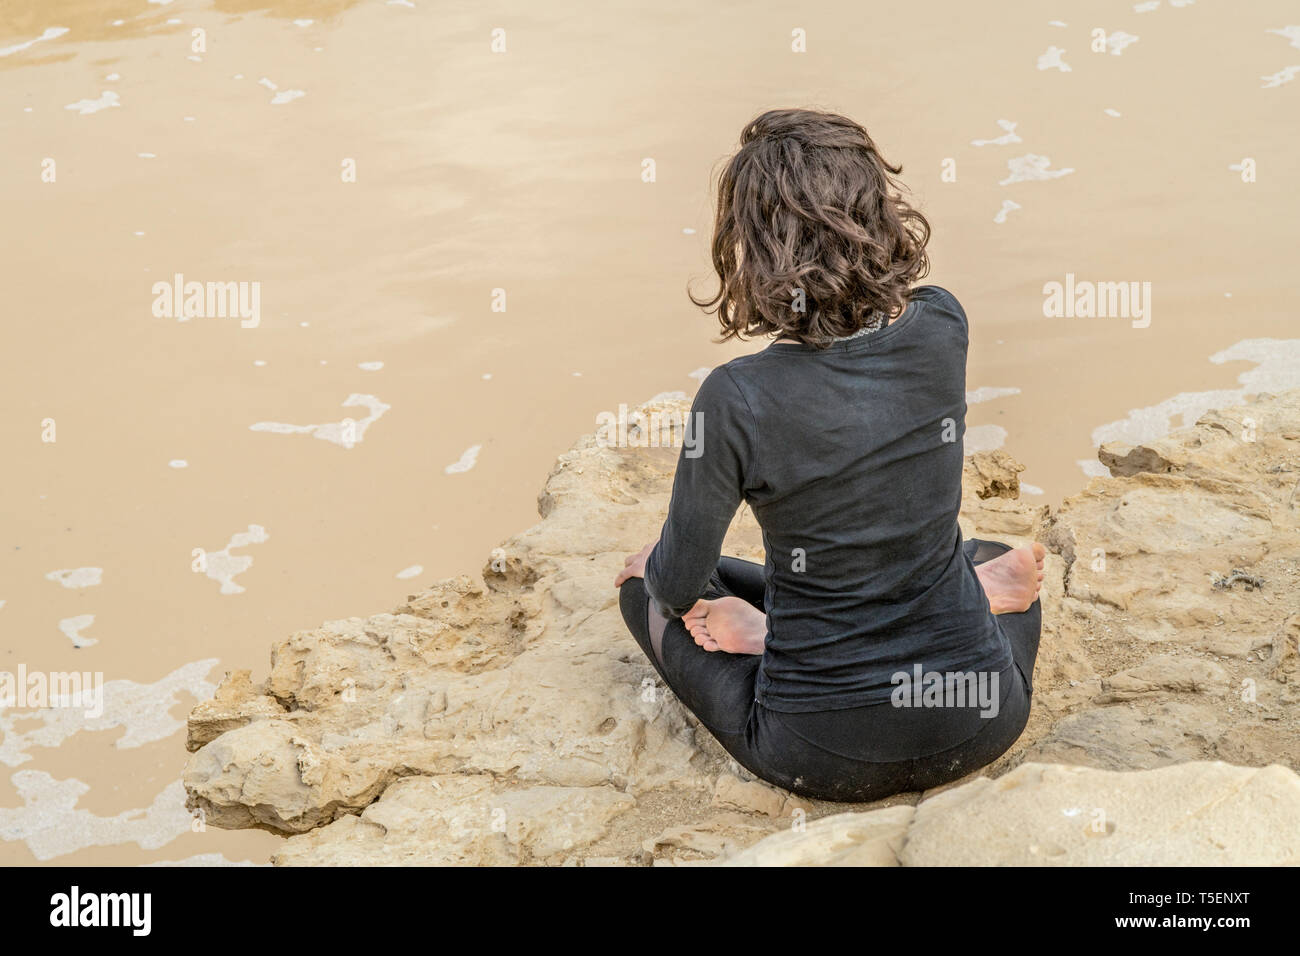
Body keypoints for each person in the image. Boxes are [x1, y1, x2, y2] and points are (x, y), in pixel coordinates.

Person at [614, 108, 1044, 802]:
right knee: (976, 546)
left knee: (647, 588)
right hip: (984, 717)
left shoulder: (736, 396)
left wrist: (660, 574)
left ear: (750, 248)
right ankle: (977, 597)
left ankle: (772, 635)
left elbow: (680, 583)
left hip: (822, 748)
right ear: (879, 216)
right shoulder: (943, 322)